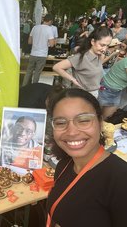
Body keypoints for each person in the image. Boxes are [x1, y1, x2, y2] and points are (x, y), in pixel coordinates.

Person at [46, 88, 127, 227]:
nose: (71, 132)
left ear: (100, 123)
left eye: (83, 120)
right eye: (60, 123)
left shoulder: (121, 180)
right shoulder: (64, 165)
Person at [52, 26, 113, 98]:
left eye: (107, 46)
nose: (104, 49)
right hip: (81, 96)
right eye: (102, 45)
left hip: (94, 94)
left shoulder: (99, 55)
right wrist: (73, 79)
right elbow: (56, 67)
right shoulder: (81, 57)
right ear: (93, 42)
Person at [22, 14, 55, 85]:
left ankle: (24, 87)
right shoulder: (49, 29)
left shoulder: (35, 27)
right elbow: (52, 44)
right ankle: (34, 88)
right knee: (37, 73)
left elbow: (29, 41)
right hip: (42, 55)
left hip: (33, 53)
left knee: (28, 71)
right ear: (50, 21)